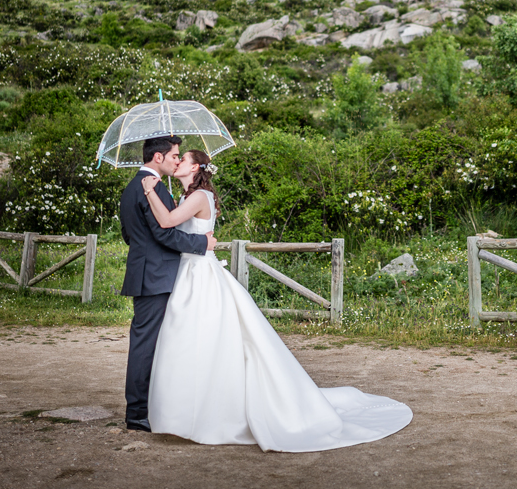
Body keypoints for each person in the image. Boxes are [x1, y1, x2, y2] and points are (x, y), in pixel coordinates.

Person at [141, 149, 412, 452]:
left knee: (205, 338)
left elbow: (166, 223)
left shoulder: (199, 197)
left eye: (183, 159)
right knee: (188, 341)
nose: (176, 162)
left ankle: (212, 413)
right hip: (189, 273)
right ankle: (185, 412)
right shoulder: (188, 196)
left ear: (195, 168)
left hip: (201, 275)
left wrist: (150, 191)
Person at [119, 136, 216, 433]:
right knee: (146, 345)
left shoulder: (132, 187)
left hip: (150, 272)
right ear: (158, 158)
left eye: (180, 157)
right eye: (174, 155)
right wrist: (202, 242)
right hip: (155, 277)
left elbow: (128, 234)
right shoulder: (152, 188)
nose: (176, 160)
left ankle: (158, 406)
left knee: (160, 344)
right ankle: (137, 414)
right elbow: (163, 233)